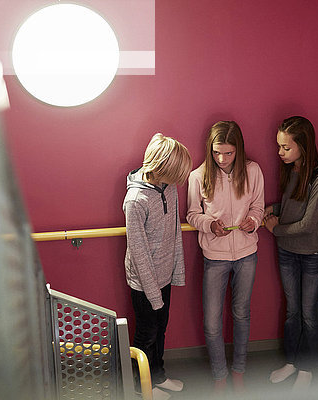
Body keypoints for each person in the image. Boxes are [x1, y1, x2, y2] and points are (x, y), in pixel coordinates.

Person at [186, 121, 264, 394]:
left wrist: (253, 221)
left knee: (242, 314)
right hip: (214, 256)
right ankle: (220, 374)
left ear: (238, 150)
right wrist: (209, 224)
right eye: (217, 152)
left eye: (228, 153)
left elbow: (258, 207)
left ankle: (239, 371)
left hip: (246, 255)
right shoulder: (198, 176)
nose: (222, 159)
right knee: (212, 320)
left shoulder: (253, 171)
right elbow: (192, 214)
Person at [123, 133, 192, 400]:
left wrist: (177, 271)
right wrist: (153, 295)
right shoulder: (135, 201)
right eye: (175, 174)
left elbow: (175, 230)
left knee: (161, 329)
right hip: (143, 284)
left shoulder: (169, 187)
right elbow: (138, 253)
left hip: (164, 277)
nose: (178, 181)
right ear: (161, 168)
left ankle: (158, 375)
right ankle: (140, 388)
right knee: (146, 334)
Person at [263, 116, 318, 390]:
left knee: (309, 313)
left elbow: (308, 224)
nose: (280, 153)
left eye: (286, 148)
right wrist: (274, 209)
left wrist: (275, 229)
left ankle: (308, 368)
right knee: (292, 311)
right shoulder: (293, 170)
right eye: (279, 146)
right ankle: (292, 362)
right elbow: (294, 206)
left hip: (311, 254)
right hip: (287, 253)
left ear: (303, 146)